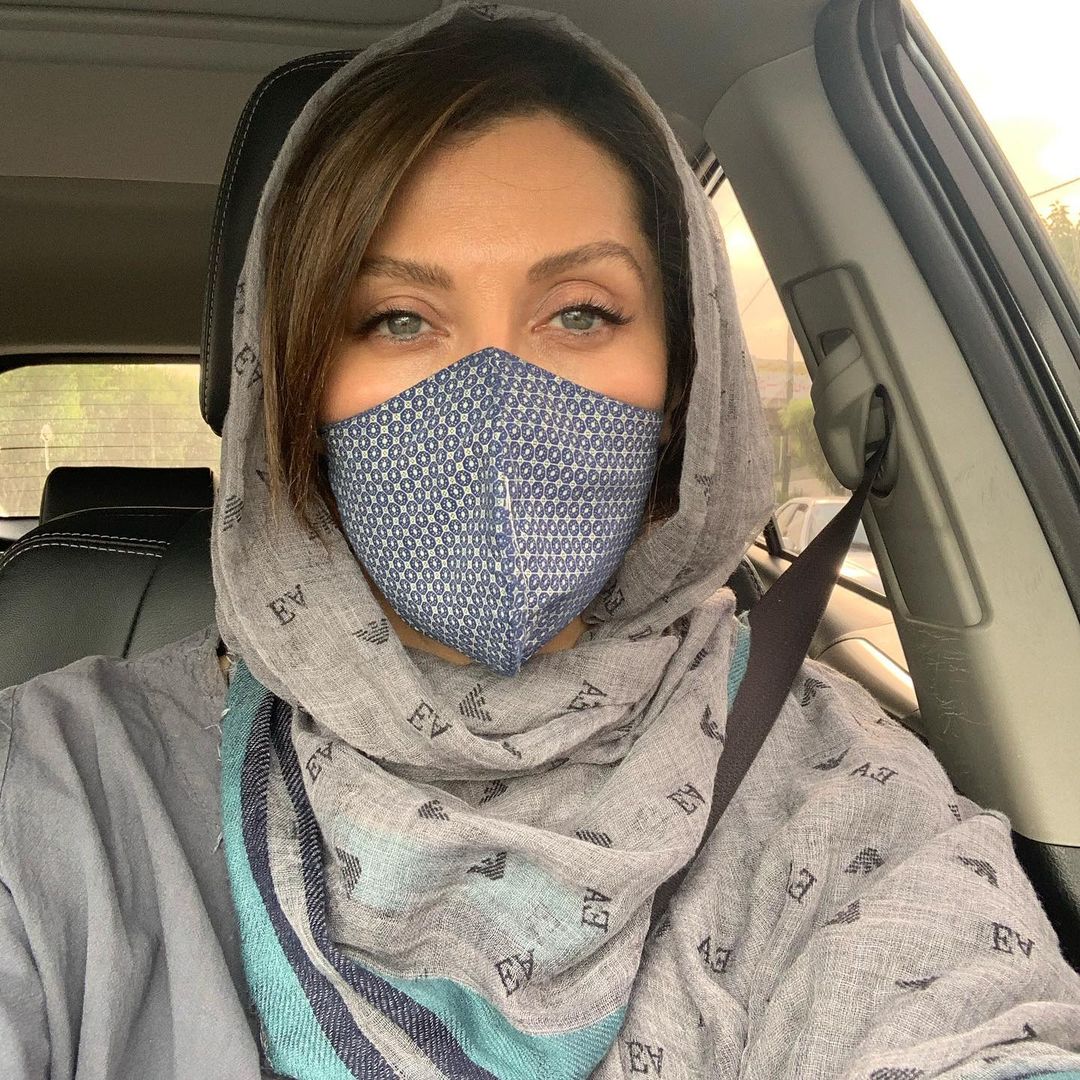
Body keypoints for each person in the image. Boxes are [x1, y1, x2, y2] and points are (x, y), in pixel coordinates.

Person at [2, 3, 1080, 1078]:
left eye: (580, 312)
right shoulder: (62, 786)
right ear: (296, 396)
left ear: (681, 388)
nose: (494, 400)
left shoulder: (832, 790)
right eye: (397, 318)